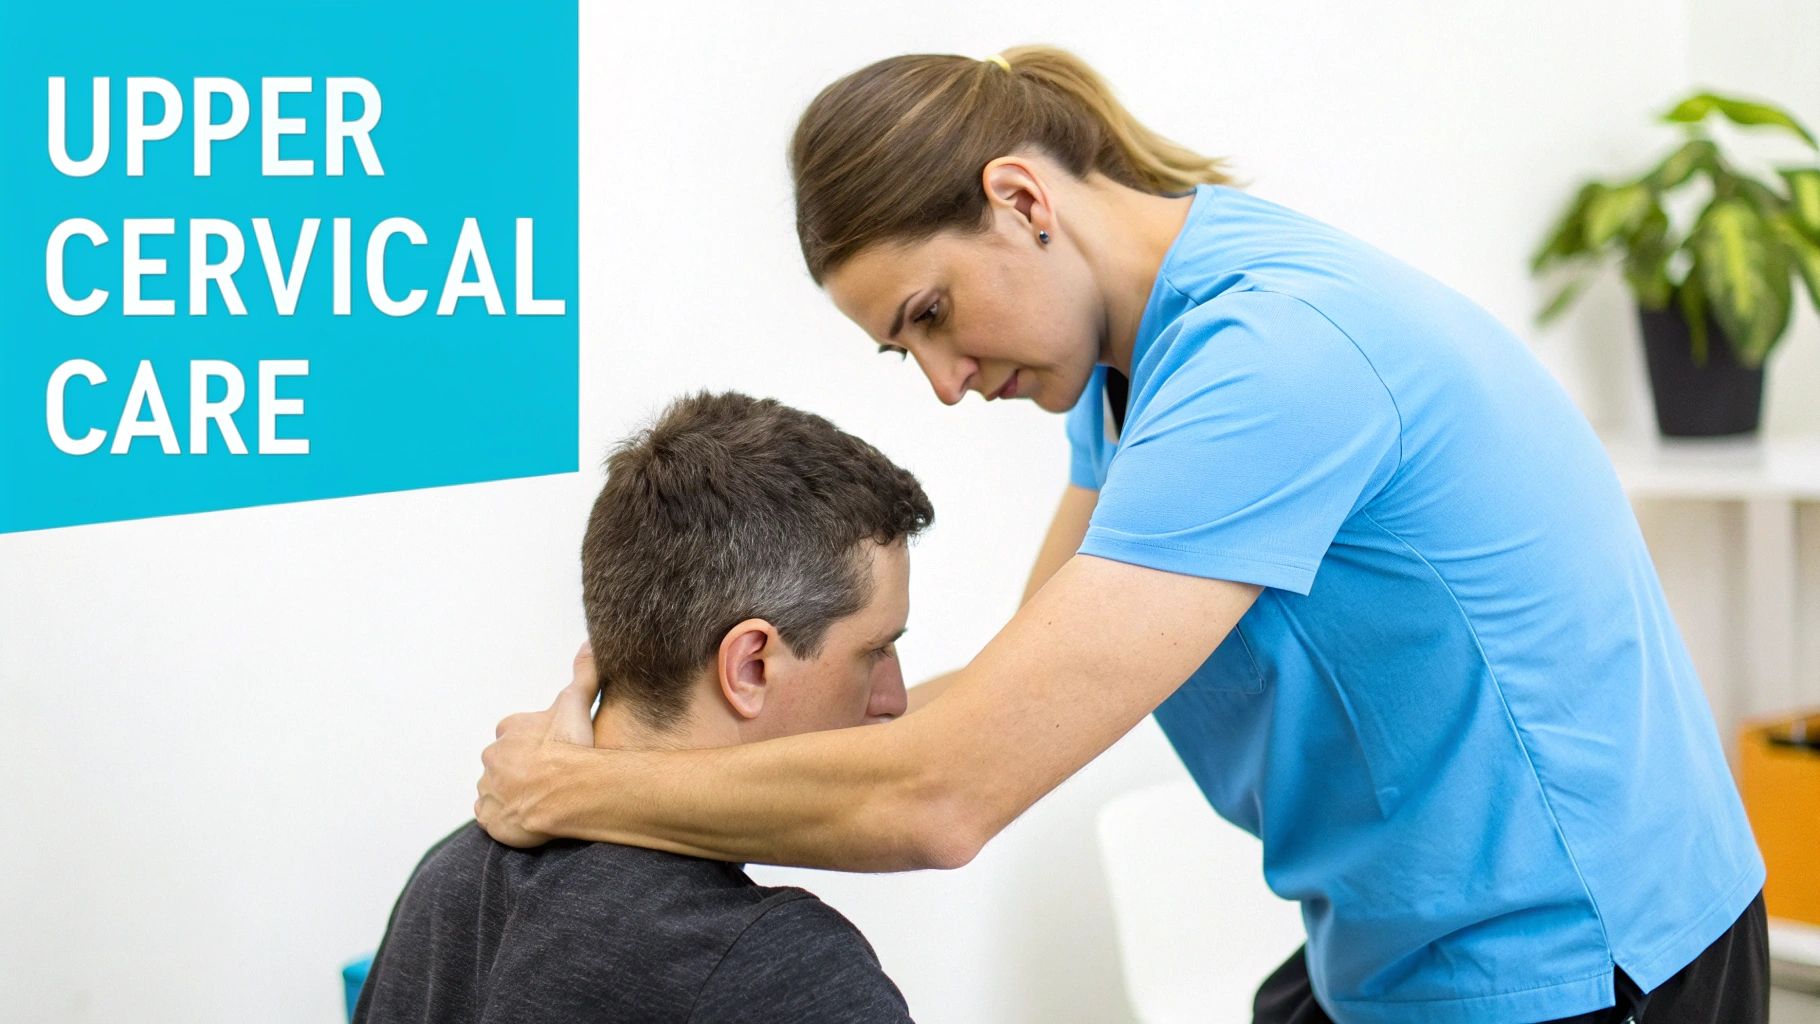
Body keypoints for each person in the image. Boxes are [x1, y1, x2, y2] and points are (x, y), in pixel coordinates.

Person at [474, 47, 1768, 1024]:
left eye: (932, 311)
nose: (940, 379)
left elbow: (949, 793)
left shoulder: (1268, 362)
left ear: (1020, 198)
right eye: (901, 344)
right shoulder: (1125, 365)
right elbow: (1006, 686)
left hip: (1577, 943)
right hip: (1392, 926)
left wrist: (584, 789)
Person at [357, 392, 924, 1023]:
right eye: (877, 651)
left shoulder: (449, 882)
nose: (894, 701)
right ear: (750, 666)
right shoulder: (778, 970)